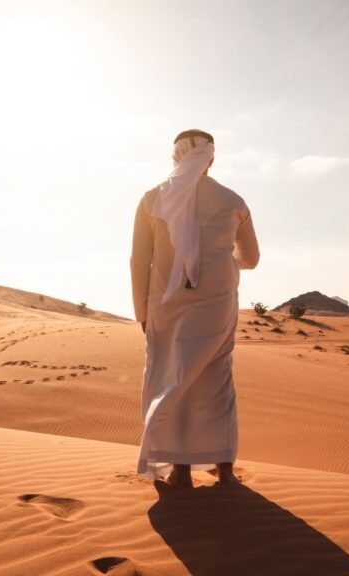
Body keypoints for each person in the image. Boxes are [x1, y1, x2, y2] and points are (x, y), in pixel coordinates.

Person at [130, 129, 260, 488]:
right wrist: (221, 257)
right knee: (216, 382)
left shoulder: (151, 200)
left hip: (164, 305)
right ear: (211, 158)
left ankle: (180, 470)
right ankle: (225, 468)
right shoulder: (233, 201)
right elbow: (251, 258)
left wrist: (141, 312)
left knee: (170, 380)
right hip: (216, 304)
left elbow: (140, 260)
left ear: (176, 158)